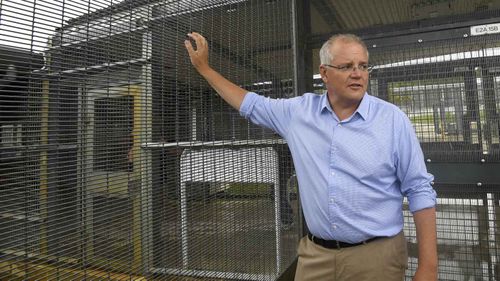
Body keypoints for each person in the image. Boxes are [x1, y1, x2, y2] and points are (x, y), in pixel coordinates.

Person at [184, 32, 438, 281]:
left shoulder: (392, 120)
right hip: (316, 257)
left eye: (363, 66)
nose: (358, 74)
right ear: (325, 73)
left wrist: (429, 268)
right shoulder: (299, 114)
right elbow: (251, 104)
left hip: (376, 258)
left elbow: (418, 188)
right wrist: (205, 69)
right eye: (347, 66)